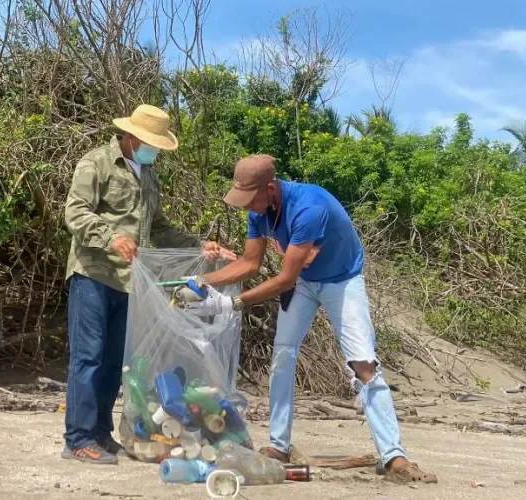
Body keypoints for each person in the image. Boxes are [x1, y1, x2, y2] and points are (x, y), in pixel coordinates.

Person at [176, 154, 438, 484]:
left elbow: (285, 279)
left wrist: (230, 304)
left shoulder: (309, 208)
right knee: (282, 355)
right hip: (304, 281)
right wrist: (203, 282)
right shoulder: (260, 212)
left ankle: (394, 457)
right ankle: (278, 446)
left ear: (270, 189)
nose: (247, 208)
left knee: (363, 364)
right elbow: (249, 263)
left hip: (342, 279)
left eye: (250, 199)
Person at [61, 104, 236, 465]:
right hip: (93, 275)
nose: (153, 150)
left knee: (115, 362)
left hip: (130, 283)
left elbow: (159, 228)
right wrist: (111, 237)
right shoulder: (96, 163)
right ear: (131, 136)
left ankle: (99, 433)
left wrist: (200, 246)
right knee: (88, 358)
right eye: (150, 143)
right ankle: (76, 438)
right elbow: (76, 212)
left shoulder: (150, 176)